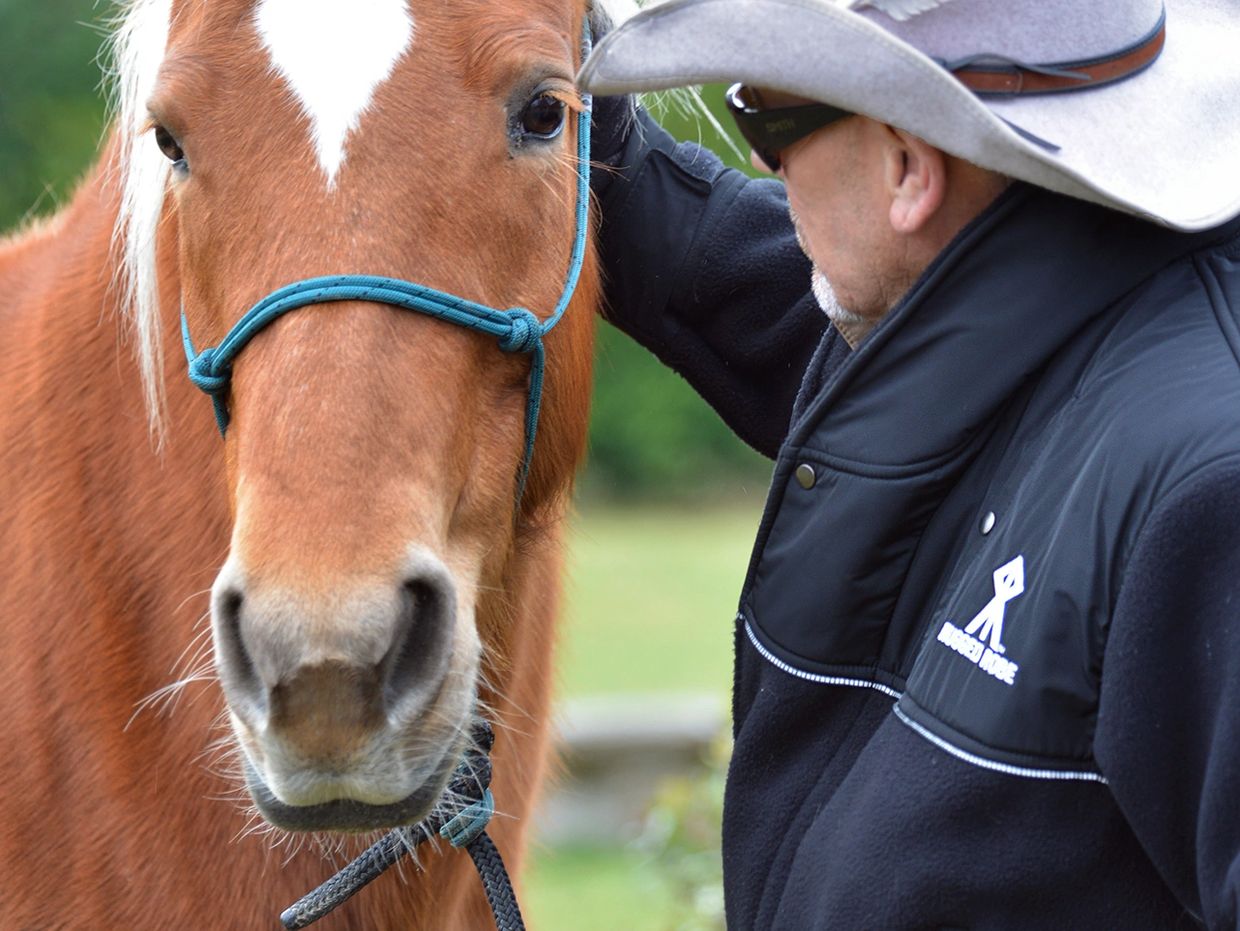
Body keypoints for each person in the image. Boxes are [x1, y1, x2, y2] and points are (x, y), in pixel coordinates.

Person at [578, 0, 1240, 927]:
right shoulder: (963, 323)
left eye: (767, 118)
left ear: (906, 168)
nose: (766, 164)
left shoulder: (1210, 489)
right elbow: (697, 246)